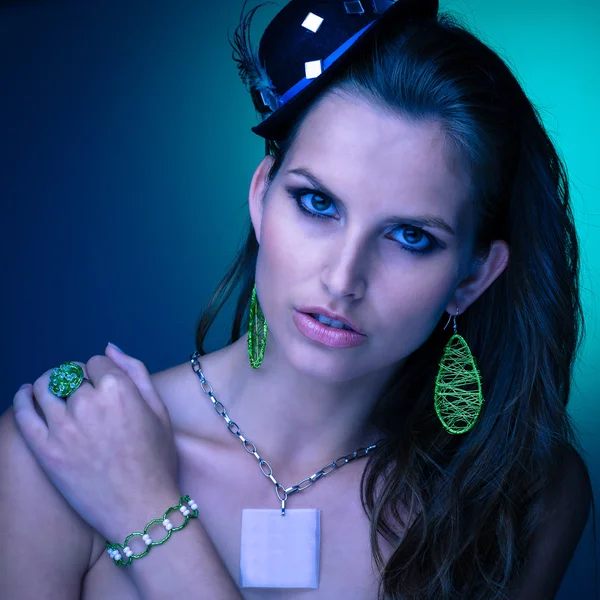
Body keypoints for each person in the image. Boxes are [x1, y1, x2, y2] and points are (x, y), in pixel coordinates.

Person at [0, 0, 595, 598]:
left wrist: (147, 515)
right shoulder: (63, 449)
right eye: (317, 204)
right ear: (262, 195)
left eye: (410, 236)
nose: (343, 279)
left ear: (473, 276)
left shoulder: (521, 498)